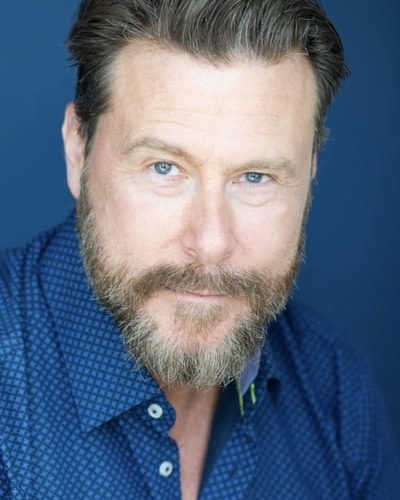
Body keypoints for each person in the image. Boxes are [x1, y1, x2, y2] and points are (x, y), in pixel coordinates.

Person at [0, 0, 399, 498]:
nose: (211, 243)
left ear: (311, 172)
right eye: (164, 168)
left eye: (256, 177)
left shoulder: (338, 394)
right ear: (77, 149)